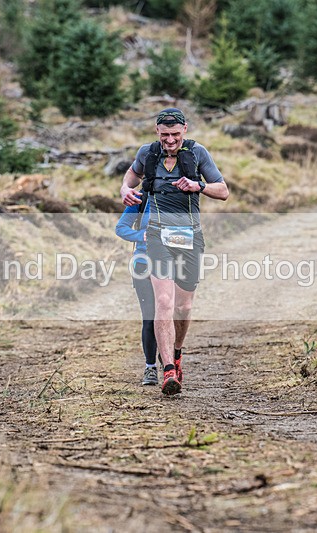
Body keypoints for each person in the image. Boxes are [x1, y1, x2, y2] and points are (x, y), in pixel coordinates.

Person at [120, 108, 229, 396]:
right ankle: (168, 369)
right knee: (164, 302)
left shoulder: (197, 154)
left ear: (185, 130)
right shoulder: (148, 153)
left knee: (183, 308)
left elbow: (224, 191)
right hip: (157, 237)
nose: (170, 140)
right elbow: (131, 176)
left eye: (176, 135)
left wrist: (198, 186)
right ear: (157, 131)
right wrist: (124, 190)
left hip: (190, 237)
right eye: (165, 134)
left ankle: (177, 352)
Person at [115, 192, 158, 386]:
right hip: (143, 264)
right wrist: (142, 235)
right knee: (149, 317)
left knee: (170, 316)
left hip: (173, 263)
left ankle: (171, 366)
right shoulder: (142, 198)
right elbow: (121, 228)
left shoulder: (178, 194)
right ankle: (150, 368)